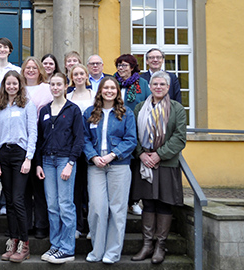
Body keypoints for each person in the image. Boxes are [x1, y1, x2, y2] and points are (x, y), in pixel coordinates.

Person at [131, 71, 186, 264]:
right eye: (155, 84)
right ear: (150, 86)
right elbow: (134, 135)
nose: (158, 87)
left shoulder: (177, 108)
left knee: (164, 203)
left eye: (162, 84)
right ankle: (147, 245)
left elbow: (179, 138)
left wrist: (158, 154)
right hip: (145, 162)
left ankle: (160, 246)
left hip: (166, 164)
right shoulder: (140, 107)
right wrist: (141, 153)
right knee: (148, 203)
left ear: (168, 87)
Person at [83, 77, 137, 264]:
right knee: (97, 208)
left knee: (117, 209)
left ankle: (112, 253)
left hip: (119, 165)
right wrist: (93, 156)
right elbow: (84, 138)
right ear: (100, 91)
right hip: (96, 165)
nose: (109, 91)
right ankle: (97, 251)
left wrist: (113, 155)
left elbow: (131, 140)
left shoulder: (126, 113)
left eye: (112, 88)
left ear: (117, 91)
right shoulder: (90, 113)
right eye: (106, 87)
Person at [35, 72, 84, 264]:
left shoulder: (73, 110)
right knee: (52, 206)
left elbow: (79, 139)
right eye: (52, 84)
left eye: (59, 84)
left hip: (65, 161)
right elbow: (40, 139)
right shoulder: (44, 110)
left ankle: (67, 248)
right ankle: (55, 245)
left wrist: (71, 163)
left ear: (66, 86)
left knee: (65, 205)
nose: (55, 88)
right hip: (47, 161)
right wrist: (38, 163)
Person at [0, 70, 37, 263]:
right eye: (8, 84)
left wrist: (28, 158)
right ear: (4, 85)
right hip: (4, 153)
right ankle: (13, 240)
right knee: (9, 200)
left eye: (15, 83)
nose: (11, 87)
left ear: (20, 85)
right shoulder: (0, 105)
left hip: (20, 154)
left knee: (19, 199)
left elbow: (32, 132)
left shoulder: (27, 104)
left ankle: (25, 244)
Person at [113, 54, 151, 216]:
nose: (121, 68)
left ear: (133, 67)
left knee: (134, 167)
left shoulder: (141, 84)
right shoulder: (112, 83)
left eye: (125, 65)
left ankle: (133, 201)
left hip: (134, 130)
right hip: (114, 131)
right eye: (119, 65)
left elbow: (149, 106)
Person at [21, 56, 52, 239]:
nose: (31, 70)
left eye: (34, 67)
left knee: (39, 186)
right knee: (23, 188)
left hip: (42, 139)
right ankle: (25, 224)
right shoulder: (18, 88)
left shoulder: (46, 89)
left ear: (40, 70)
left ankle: (41, 224)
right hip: (21, 141)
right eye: (27, 67)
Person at [66, 63, 94, 239]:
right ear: (72, 77)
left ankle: (92, 226)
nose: (78, 76)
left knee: (91, 188)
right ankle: (77, 225)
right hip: (73, 146)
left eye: (81, 73)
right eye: (75, 74)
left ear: (86, 76)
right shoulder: (68, 96)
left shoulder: (94, 95)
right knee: (75, 189)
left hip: (91, 145)